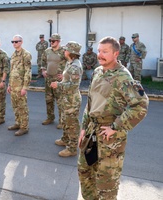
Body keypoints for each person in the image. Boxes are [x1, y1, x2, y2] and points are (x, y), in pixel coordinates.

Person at [78, 36, 149, 200]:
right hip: (91, 132)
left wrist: (115, 127)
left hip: (110, 138)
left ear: (116, 53)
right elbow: (90, 103)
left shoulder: (123, 77)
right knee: (85, 173)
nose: (100, 55)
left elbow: (140, 104)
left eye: (105, 51)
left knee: (106, 186)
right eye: (99, 51)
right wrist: (83, 128)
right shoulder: (97, 71)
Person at [50, 41, 82, 157]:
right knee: (65, 120)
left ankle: (72, 148)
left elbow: (74, 86)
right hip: (66, 99)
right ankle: (65, 139)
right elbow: (68, 80)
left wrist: (58, 85)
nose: (64, 51)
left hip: (72, 100)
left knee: (71, 124)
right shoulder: (70, 63)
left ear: (71, 52)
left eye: (66, 50)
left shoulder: (75, 66)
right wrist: (63, 78)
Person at [7, 34, 32, 136]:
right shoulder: (13, 55)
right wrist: (9, 84)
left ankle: (24, 127)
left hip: (20, 86)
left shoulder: (26, 54)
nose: (14, 43)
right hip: (13, 86)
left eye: (16, 41)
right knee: (15, 106)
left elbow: (28, 71)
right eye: (12, 42)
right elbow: (11, 71)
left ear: (21, 42)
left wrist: (25, 87)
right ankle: (18, 123)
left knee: (22, 107)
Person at [41, 33, 67, 129]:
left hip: (58, 80)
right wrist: (43, 70)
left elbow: (70, 63)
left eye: (53, 41)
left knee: (60, 100)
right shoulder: (47, 51)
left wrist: (65, 74)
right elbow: (43, 61)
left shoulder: (64, 51)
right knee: (49, 99)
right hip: (48, 79)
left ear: (58, 41)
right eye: (50, 41)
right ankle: (50, 117)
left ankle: (61, 121)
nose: (51, 42)